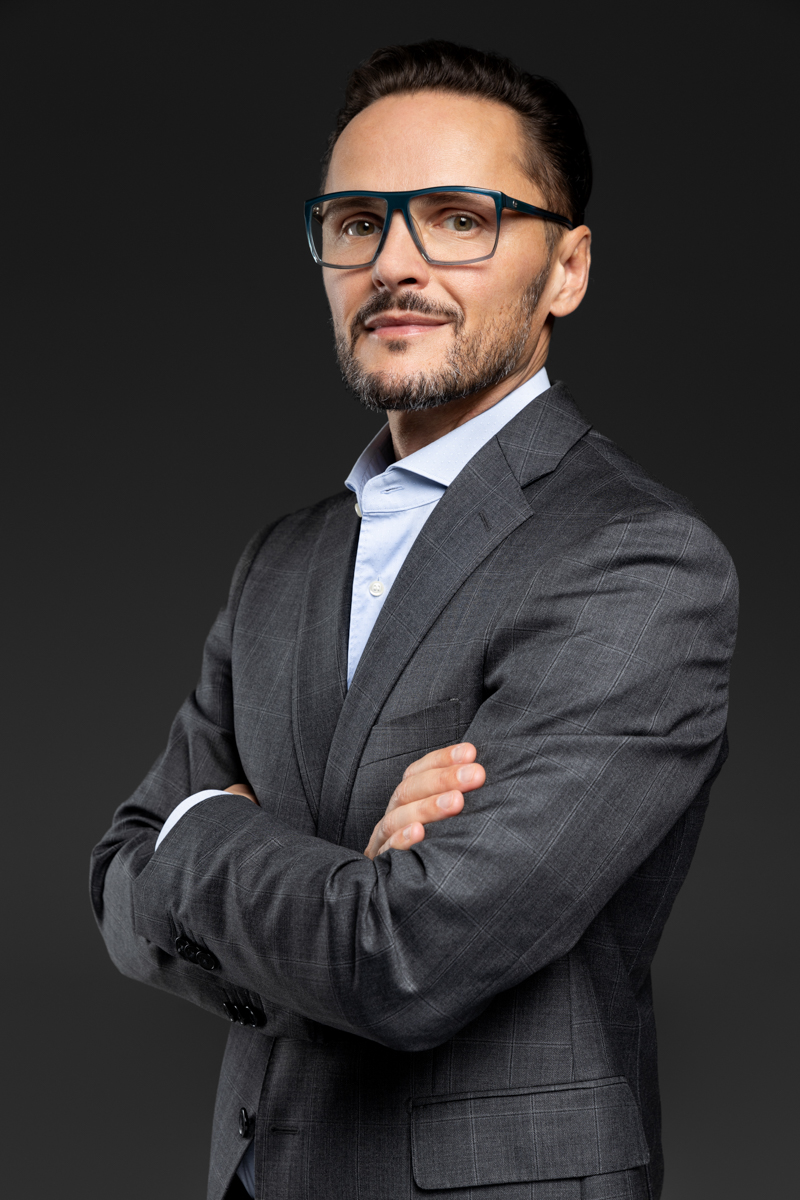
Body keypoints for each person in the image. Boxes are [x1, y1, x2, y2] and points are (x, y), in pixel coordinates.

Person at [90, 40, 738, 1200]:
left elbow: (409, 958)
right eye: (356, 223)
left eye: (456, 218)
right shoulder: (281, 560)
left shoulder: (637, 561)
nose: (393, 262)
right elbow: (113, 888)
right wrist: (333, 884)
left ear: (566, 268)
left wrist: (200, 832)